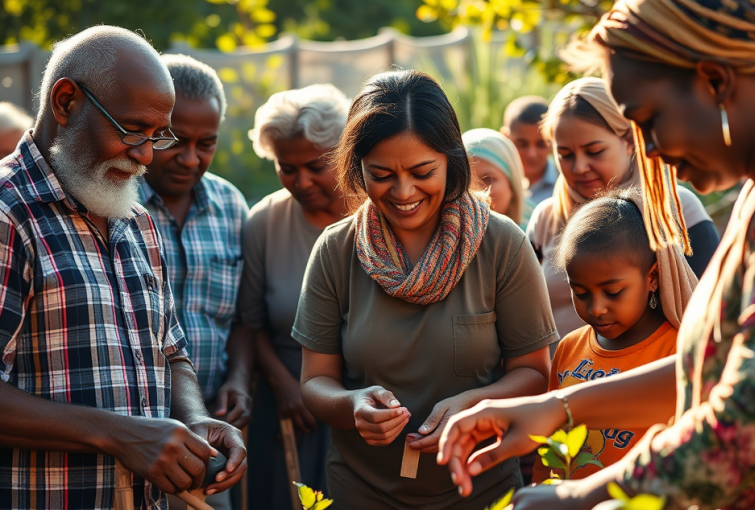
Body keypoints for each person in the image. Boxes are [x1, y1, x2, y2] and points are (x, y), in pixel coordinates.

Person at [438, 0, 755, 508]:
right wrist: (558, 407)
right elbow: (714, 369)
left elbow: (754, 424)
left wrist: (582, 495)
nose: (649, 149)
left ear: (714, 80)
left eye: (649, 119)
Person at [0, 26, 246, 509]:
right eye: (133, 129)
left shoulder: (135, 219)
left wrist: (194, 420)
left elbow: (170, 353)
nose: (146, 155)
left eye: (159, 135)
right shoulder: (9, 215)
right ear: (66, 102)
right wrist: (117, 435)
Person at [294, 69, 556, 510]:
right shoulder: (337, 251)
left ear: (452, 160)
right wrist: (353, 404)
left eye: (421, 172)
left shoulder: (501, 243)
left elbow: (534, 373)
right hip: (362, 492)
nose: (403, 191)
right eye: (381, 174)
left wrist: (474, 404)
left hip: (481, 488)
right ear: (357, 169)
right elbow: (316, 382)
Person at [138, 54, 250, 510]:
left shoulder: (231, 206)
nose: (190, 158)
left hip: (211, 442)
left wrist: (239, 379)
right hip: (138, 435)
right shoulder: (115, 205)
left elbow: (245, 315)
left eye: (206, 143)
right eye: (176, 140)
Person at [527, 77, 719, 342]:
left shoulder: (677, 210)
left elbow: (711, 316)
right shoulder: (545, 219)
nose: (579, 167)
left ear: (629, 140)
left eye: (594, 151)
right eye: (566, 155)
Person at [531, 189, 695, 483]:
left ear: (652, 277)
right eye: (580, 293)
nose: (596, 308)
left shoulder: (676, 352)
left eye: (613, 292)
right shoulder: (570, 348)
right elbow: (550, 443)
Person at [241, 83, 349, 507]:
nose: (300, 181)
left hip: (368, 406)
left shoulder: (379, 214)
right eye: (287, 168)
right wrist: (287, 385)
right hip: (290, 414)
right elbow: (250, 322)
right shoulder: (264, 222)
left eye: (314, 166)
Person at [463, 128, 532, 230]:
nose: (476, 192)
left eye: (488, 179)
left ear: (512, 184)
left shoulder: (542, 234)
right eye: (466, 181)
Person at [501, 96, 557, 205]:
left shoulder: (566, 185)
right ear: (506, 138)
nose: (532, 154)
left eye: (542, 144)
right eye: (522, 144)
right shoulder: (493, 183)